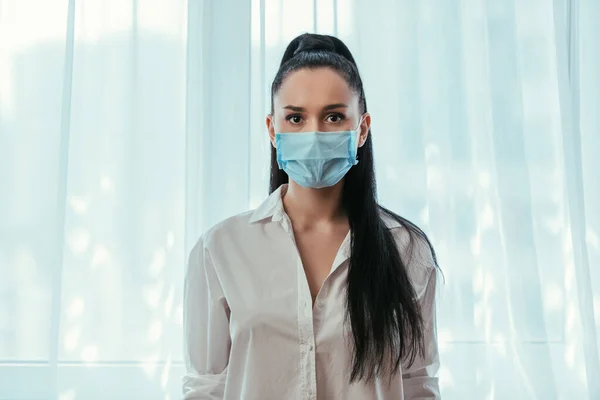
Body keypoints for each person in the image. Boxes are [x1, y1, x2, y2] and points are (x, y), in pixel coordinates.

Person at [183, 33, 441, 400]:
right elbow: (206, 388)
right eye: (296, 118)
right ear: (273, 130)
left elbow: (419, 384)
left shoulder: (407, 250)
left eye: (334, 116)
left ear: (362, 129)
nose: (315, 133)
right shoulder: (220, 249)